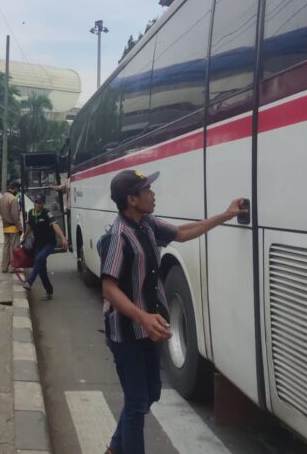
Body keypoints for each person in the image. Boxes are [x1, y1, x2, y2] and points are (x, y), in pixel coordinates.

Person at [100, 170, 246, 454]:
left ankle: (115, 449)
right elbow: (109, 289)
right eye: (147, 190)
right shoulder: (119, 237)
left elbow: (182, 233)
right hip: (127, 332)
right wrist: (142, 316)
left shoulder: (148, 225)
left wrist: (225, 215)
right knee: (136, 403)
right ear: (132, 199)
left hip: (150, 331)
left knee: (150, 394)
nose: (153, 194)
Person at [21, 195, 67, 300]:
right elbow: (29, 226)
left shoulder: (47, 213)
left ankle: (29, 282)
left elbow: (55, 225)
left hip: (49, 243)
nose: (37, 204)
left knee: (39, 259)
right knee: (41, 269)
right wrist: (24, 237)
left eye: (40, 202)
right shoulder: (30, 213)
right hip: (38, 244)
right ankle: (49, 291)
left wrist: (63, 238)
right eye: (36, 202)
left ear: (43, 204)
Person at [0, 181, 22, 273]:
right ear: (15, 188)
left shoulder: (2, 198)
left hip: (5, 226)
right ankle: (13, 267)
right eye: (18, 189)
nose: (18, 191)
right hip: (13, 227)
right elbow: (15, 217)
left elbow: (0, 213)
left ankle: (4, 267)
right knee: (14, 248)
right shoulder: (13, 199)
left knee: (6, 247)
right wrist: (20, 228)